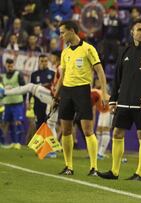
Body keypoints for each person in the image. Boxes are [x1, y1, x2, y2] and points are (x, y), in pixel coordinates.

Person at [98, 18, 141, 181]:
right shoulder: (124, 51)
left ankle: (140, 173)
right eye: (139, 30)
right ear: (132, 32)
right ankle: (114, 172)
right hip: (123, 101)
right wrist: (113, 99)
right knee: (117, 133)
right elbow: (117, 78)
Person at [54, 20, 108, 176]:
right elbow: (61, 78)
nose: (61, 36)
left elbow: (100, 72)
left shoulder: (88, 49)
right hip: (66, 93)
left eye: (63, 32)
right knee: (66, 130)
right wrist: (56, 96)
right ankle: (69, 166)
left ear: (72, 31)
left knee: (88, 130)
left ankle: (94, 168)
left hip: (83, 91)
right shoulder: (65, 52)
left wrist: (104, 92)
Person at [1, 58, 26, 150]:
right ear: (6, 65)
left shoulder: (18, 74)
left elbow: (23, 87)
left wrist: (23, 99)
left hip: (17, 103)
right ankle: (11, 141)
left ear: (13, 65)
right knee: (6, 123)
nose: (10, 67)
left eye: (11, 66)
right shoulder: (3, 76)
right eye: (8, 66)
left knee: (18, 122)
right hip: (7, 103)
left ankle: (18, 143)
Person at [30, 54, 55, 129]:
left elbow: (55, 88)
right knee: (39, 125)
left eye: (46, 61)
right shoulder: (34, 74)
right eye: (42, 61)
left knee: (49, 125)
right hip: (38, 103)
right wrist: (28, 101)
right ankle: (41, 141)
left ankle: (48, 141)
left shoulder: (52, 73)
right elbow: (31, 89)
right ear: (38, 62)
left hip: (49, 103)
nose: (44, 63)